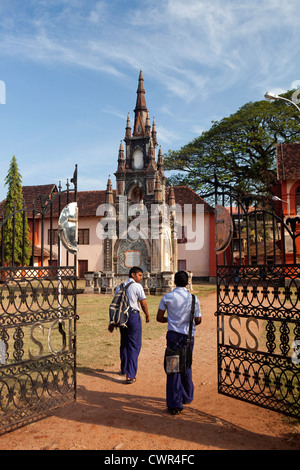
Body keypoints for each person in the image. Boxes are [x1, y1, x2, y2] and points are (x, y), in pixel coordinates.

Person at [156, 270, 201, 415]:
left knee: (173, 367)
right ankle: (187, 396)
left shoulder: (167, 297)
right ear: (187, 282)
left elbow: (159, 317)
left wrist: (171, 320)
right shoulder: (193, 299)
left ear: (174, 282)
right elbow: (198, 320)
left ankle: (175, 404)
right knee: (187, 364)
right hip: (188, 336)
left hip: (173, 336)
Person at [109, 267, 150, 384]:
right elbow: (143, 303)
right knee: (134, 344)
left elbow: (115, 305)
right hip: (133, 316)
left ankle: (124, 368)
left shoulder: (120, 287)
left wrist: (112, 322)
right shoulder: (137, 286)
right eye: (140, 275)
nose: (141, 278)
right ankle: (131, 375)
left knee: (124, 343)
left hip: (122, 317)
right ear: (133, 275)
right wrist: (147, 315)